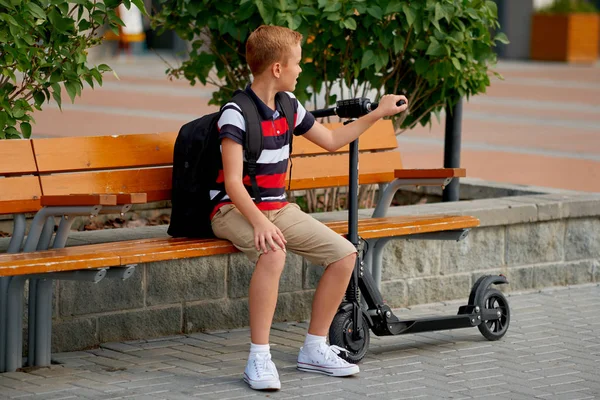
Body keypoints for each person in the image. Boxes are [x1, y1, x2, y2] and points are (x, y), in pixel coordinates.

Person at [211, 25, 408, 391]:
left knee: (344, 254)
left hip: (278, 208)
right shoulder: (235, 113)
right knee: (273, 251)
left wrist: (378, 112)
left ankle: (315, 347)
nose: (300, 70)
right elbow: (234, 184)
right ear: (276, 68)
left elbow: (332, 140)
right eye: (297, 64)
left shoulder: (288, 106)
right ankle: (258, 358)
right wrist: (259, 223)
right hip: (234, 211)